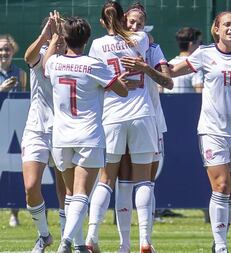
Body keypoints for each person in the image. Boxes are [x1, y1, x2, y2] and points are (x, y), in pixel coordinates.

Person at [170, 11, 231, 253]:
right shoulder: (204, 54)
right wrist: (150, 66)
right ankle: (222, 246)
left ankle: (219, 238)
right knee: (221, 186)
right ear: (216, 29)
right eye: (227, 24)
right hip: (212, 130)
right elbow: (173, 71)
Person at [42, 15, 128, 253]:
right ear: (87, 39)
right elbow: (121, 91)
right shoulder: (93, 64)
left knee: (71, 194)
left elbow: (46, 64)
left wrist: (54, 37)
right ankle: (66, 242)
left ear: (65, 38)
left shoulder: (55, 63)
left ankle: (78, 245)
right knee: (81, 194)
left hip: (61, 137)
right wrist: (115, 80)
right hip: (88, 135)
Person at [84, 2, 157, 253]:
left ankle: (92, 236)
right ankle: (145, 240)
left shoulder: (97, 45)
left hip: (112, 114)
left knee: (105, 180)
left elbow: (93, 78)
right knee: (143, 180)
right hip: (140, 113)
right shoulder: (142, 38)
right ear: (124, 17)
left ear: (104, 21)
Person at [113, 2, 173, 252]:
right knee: (123, 181)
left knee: (143, 180)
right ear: (122, 21)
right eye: (131, 22)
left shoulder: (152, 47)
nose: (135, 26)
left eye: (139, 23)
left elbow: (168, 81)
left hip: (148, 118)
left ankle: (143, 240)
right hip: (120, 118)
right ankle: (126, 244)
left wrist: (146, 68)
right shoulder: (110, 45)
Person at [22, 13, 68, 252]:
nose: (59, 38)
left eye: (62, 33)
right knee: (31, 187)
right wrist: (45, 36)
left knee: (65, 190)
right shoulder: (39, 56)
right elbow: (28, 56)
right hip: (37, 129)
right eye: (55, 31)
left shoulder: (71, 61)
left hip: (64, 131)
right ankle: (44, 235)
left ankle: (65, 240)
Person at [0, 34, 27, 228]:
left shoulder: (20, 73)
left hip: (14, 128)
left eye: (7, 49)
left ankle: (14, 213)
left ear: (13, 51)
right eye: (1, 49)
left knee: (15, 171)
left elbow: (25, 98)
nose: (3, 53)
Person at [166, 27, 203, 93]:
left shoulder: (168, 65)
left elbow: (159, 90)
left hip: (168, 102)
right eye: (200, 43)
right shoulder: (195, 65)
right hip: (188, 103)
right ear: (191, 44)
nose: (201, 46)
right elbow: (200, 92)